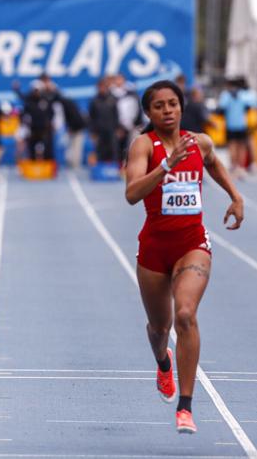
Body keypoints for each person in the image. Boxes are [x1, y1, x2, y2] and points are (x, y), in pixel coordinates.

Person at [124, 80, 243, 434]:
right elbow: (131, 194)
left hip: (193, 243)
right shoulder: (143, 146)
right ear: (150, 112)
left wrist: (235, 196)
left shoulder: (199, 141)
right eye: (159, 106)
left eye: (173, 103)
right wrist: (165, 167)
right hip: (154, 248)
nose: (168, 110)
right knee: (159, 328)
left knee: (186, 315)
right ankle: (163, 362)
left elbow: (214, 164)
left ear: (181, 107)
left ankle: (186, 406)